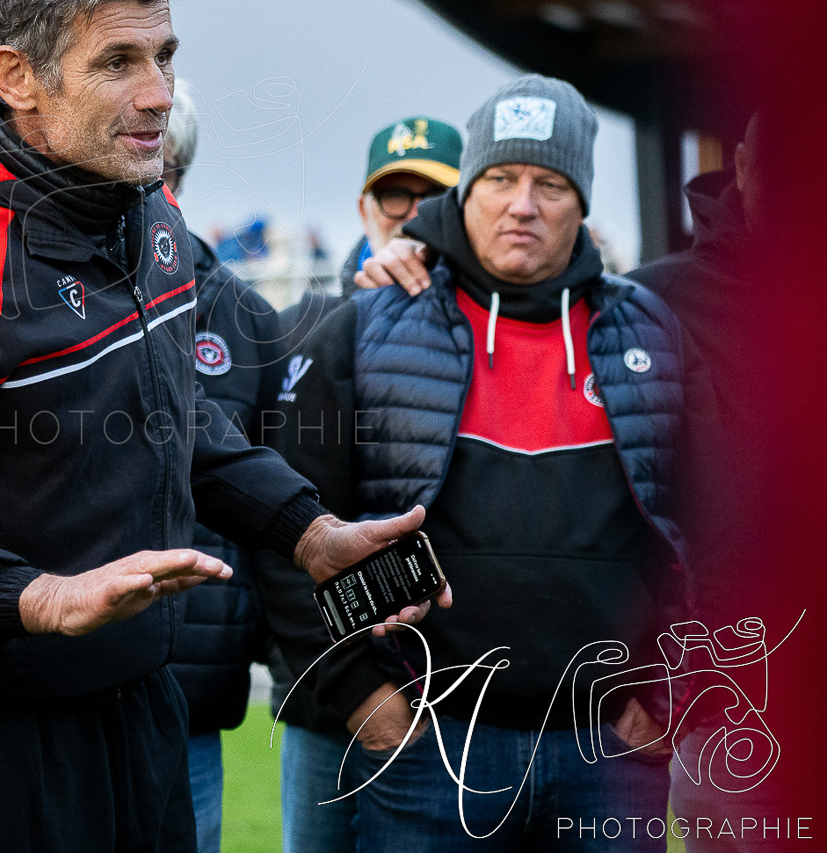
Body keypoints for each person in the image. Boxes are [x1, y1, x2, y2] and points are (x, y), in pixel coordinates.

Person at [0, 0, 450, 853]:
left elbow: (168, 416)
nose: (157, 96)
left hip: (145, 709)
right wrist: (42, 599)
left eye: (165, 56)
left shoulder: (149, 213)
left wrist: (308, 531)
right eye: (117, 63)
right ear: (17, 75)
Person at [267, 74, 706, 851]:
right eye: (501, 179)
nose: (523, 204)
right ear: (468, 192)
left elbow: (724, 528)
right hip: (430, 742)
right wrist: (360, 692)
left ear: (583, 203)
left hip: (607, 751)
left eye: (550, 183)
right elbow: (288, 529)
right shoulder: (367, 327)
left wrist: (678, 689)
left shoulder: (654, 335)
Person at [257, 113, 461, 853]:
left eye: (429, 195)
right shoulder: (294, 330)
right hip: (325, 700)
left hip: (456, 693)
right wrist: (352, 693)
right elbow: (270, 522)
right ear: (364, 209)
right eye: (392, 195)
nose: (408, 214)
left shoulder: (490, 335)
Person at [161, 80, 284, 853]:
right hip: (55, 680)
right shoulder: (37, 299)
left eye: (164, 165)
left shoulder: (245, 321)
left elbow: (274, 501)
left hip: (190, 693)